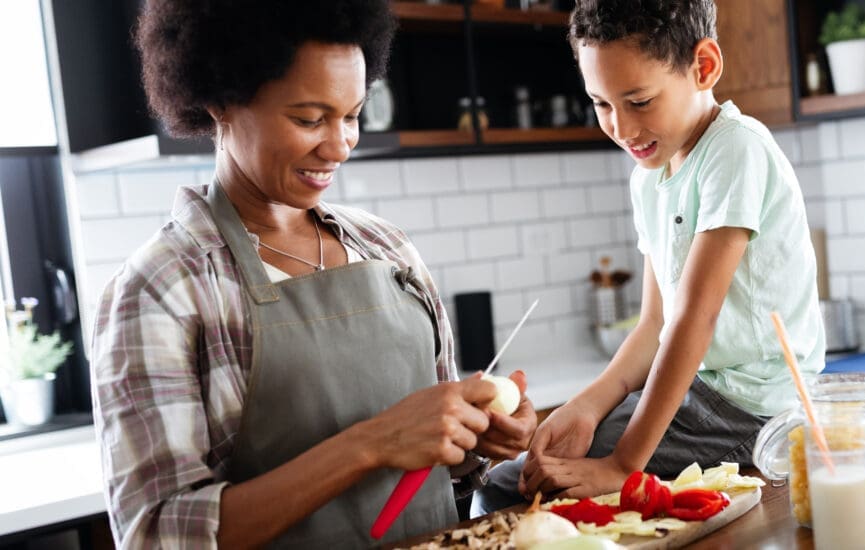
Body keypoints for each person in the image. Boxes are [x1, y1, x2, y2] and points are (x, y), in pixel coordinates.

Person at [90, 1, 537, 547]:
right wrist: (370, 443)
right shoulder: (162, 290)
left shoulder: (386, 248)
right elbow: (156, 535)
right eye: (308, 119)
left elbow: (438, 468)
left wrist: (476, 437)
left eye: (351, 115)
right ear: (219, 103)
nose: (340, 144)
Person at [473, 0, 824, 513]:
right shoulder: (649, 178)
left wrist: (621, 466)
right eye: (602, 104)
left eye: (638, 101)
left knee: (515, 489)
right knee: (514, 479)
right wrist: (587, 406)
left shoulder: (736, 149)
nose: (620, 126)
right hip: (699, 396)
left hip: (755, 411)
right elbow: (654, 323)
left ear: (703, 67)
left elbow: (692, 320)